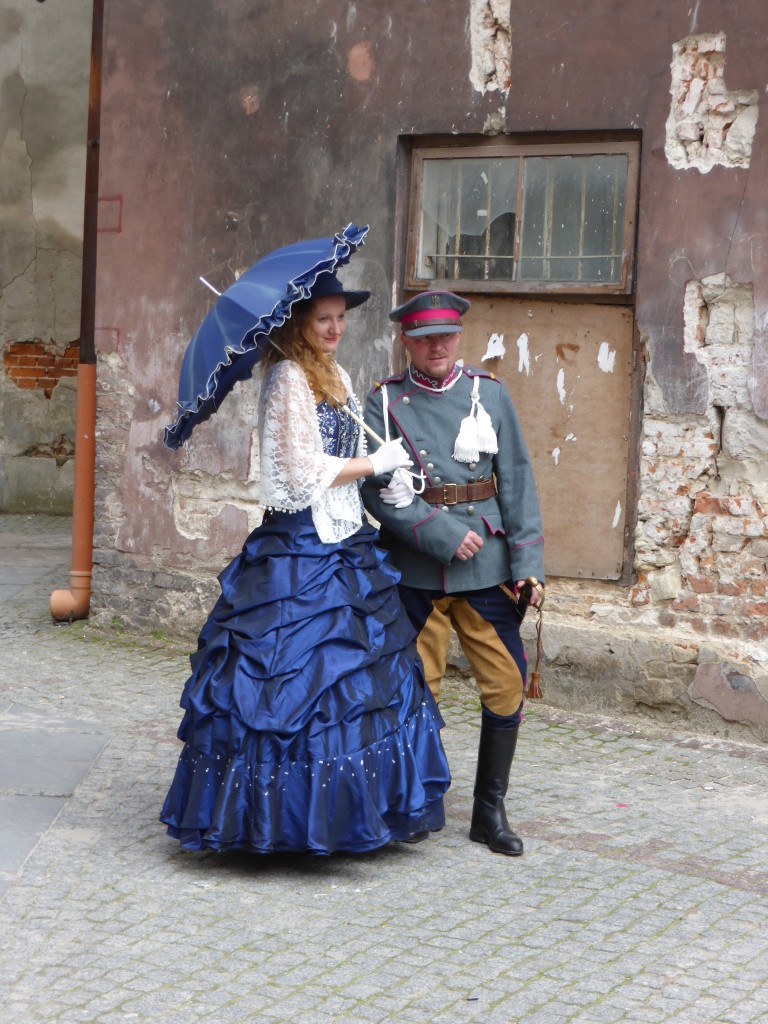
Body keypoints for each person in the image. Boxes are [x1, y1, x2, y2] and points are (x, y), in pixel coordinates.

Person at [160, 273, 451, 855]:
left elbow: (339, 457)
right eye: (324, 319)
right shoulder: (287, 379)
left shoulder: (336, 377)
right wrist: (373, 464)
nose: (336, 328)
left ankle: (353, 811)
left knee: (357, 681)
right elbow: (296, 473)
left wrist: (384, 464)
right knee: (288, 683)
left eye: (341, 317)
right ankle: (278, 820)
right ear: (299, 323)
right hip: (298, 548)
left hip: (347, 544)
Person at [361, 289, 544, 857]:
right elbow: (377, 490)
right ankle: (418, 800)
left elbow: (515, 477)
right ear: (406, 342)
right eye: (423, 338)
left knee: (508, 682)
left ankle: (489, 811)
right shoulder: (385, 404)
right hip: (418, 568)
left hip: (486, 568)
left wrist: (529, 563)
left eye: (444, 336)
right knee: (417, 687)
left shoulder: (488, 394)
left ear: (457, 338)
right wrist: (441, 534)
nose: (435, 347)